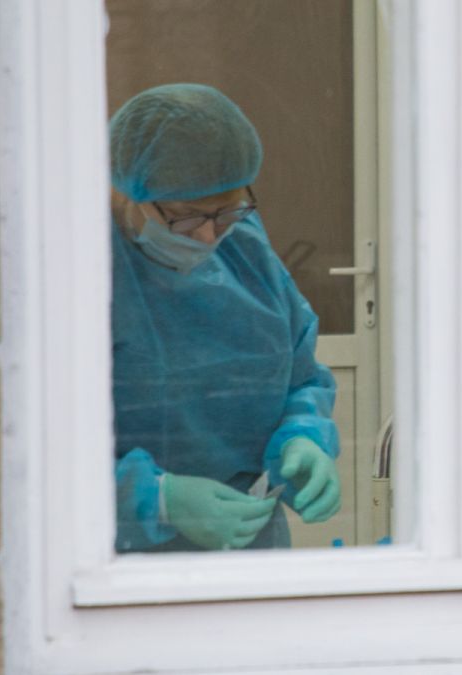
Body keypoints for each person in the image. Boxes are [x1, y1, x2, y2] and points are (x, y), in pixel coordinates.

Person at [109, 83, 340, 552]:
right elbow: (40, 447)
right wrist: (153, 498)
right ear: (126, 193)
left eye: (227, 211)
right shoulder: (82, 274)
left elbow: (298, 374)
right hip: (123, 561)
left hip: (251, 540)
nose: (210, 236)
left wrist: (302, 439)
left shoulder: (243, 247)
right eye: (187, 216)